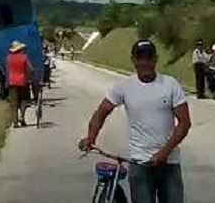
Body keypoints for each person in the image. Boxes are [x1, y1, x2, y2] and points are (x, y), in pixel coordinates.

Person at [78, 39, 191, 203]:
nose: (145, 62)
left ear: (155, 59)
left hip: (169, 163)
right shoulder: (124, 86)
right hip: (139, 163)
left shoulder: (170, 84)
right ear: (133, 60)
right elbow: (101, 112)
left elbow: (184, 123)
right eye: (140, 58)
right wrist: (91, 137)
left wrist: (164, 152)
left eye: (149, 58)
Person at [6, 40, 35, 128]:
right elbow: (31, 69)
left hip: (11, 82)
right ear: (20, 49)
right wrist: (31, 77)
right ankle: (22, 117)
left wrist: (7, 82)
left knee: (14, 103)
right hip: (23, 82)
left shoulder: (8, 58)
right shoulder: (24, 57)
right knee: (24, 100)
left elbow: (7, 71)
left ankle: (15, 122)